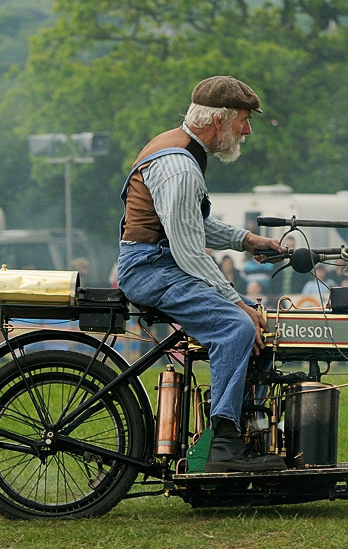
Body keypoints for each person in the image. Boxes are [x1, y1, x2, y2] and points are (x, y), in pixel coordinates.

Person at [116, 75, 286, 472]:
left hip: (161, 262)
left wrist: (246, 240)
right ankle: (223, 445)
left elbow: (188, 224)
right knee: (237, 327)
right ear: (219, 121)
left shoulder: (181, 149)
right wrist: (234, 303)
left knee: (259, 320)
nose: (247, 130)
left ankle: (247, 429)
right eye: (243, 120)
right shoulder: (180, 167)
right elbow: (189, 249)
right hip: (152, 268)